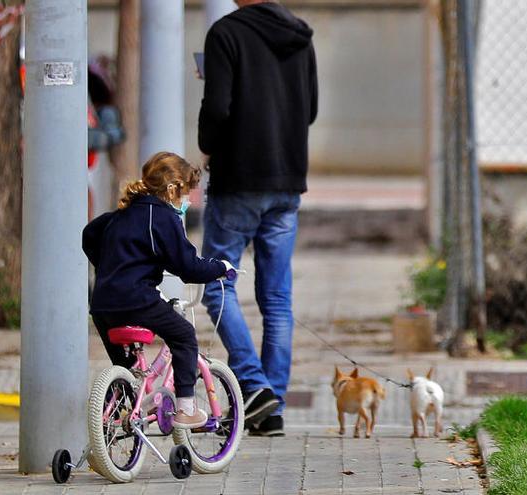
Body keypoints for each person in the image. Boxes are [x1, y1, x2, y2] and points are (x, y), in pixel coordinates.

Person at [197, 0, 318, 437]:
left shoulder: (225, 35)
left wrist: (207, 147)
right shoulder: (301, 35)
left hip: (239, 180)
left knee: (216, 284)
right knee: (277, 299)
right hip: (288, 180)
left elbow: (217, 110)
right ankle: (272, 409)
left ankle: (253, 385)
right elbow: (310, 111)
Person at [83, 151, 233, 429]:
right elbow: (188, 267)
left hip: (103, 304)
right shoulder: (163, 217)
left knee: (127, 370)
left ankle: (117, 419)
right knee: (184, 336)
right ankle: (187, 409)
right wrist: (221, 268)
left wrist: (108, 266)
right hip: (137, 299)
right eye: (186, 193)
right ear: (173, 189)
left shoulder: (120, 214)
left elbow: (89, 234)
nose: (187, 201)